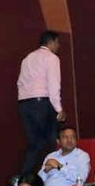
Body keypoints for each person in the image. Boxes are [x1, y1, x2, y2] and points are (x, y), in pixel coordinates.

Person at [17, 30, 66, 177]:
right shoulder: (51, 58)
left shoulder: (27, 58)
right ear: (51, 42)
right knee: (51, 142)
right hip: (42, 103)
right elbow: (53, 85)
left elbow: (19, 83)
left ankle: (25, 179)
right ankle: (52, 178)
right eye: (57, 43)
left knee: (35, 143)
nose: (58, 46)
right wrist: (59, 109)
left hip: (24, 104)